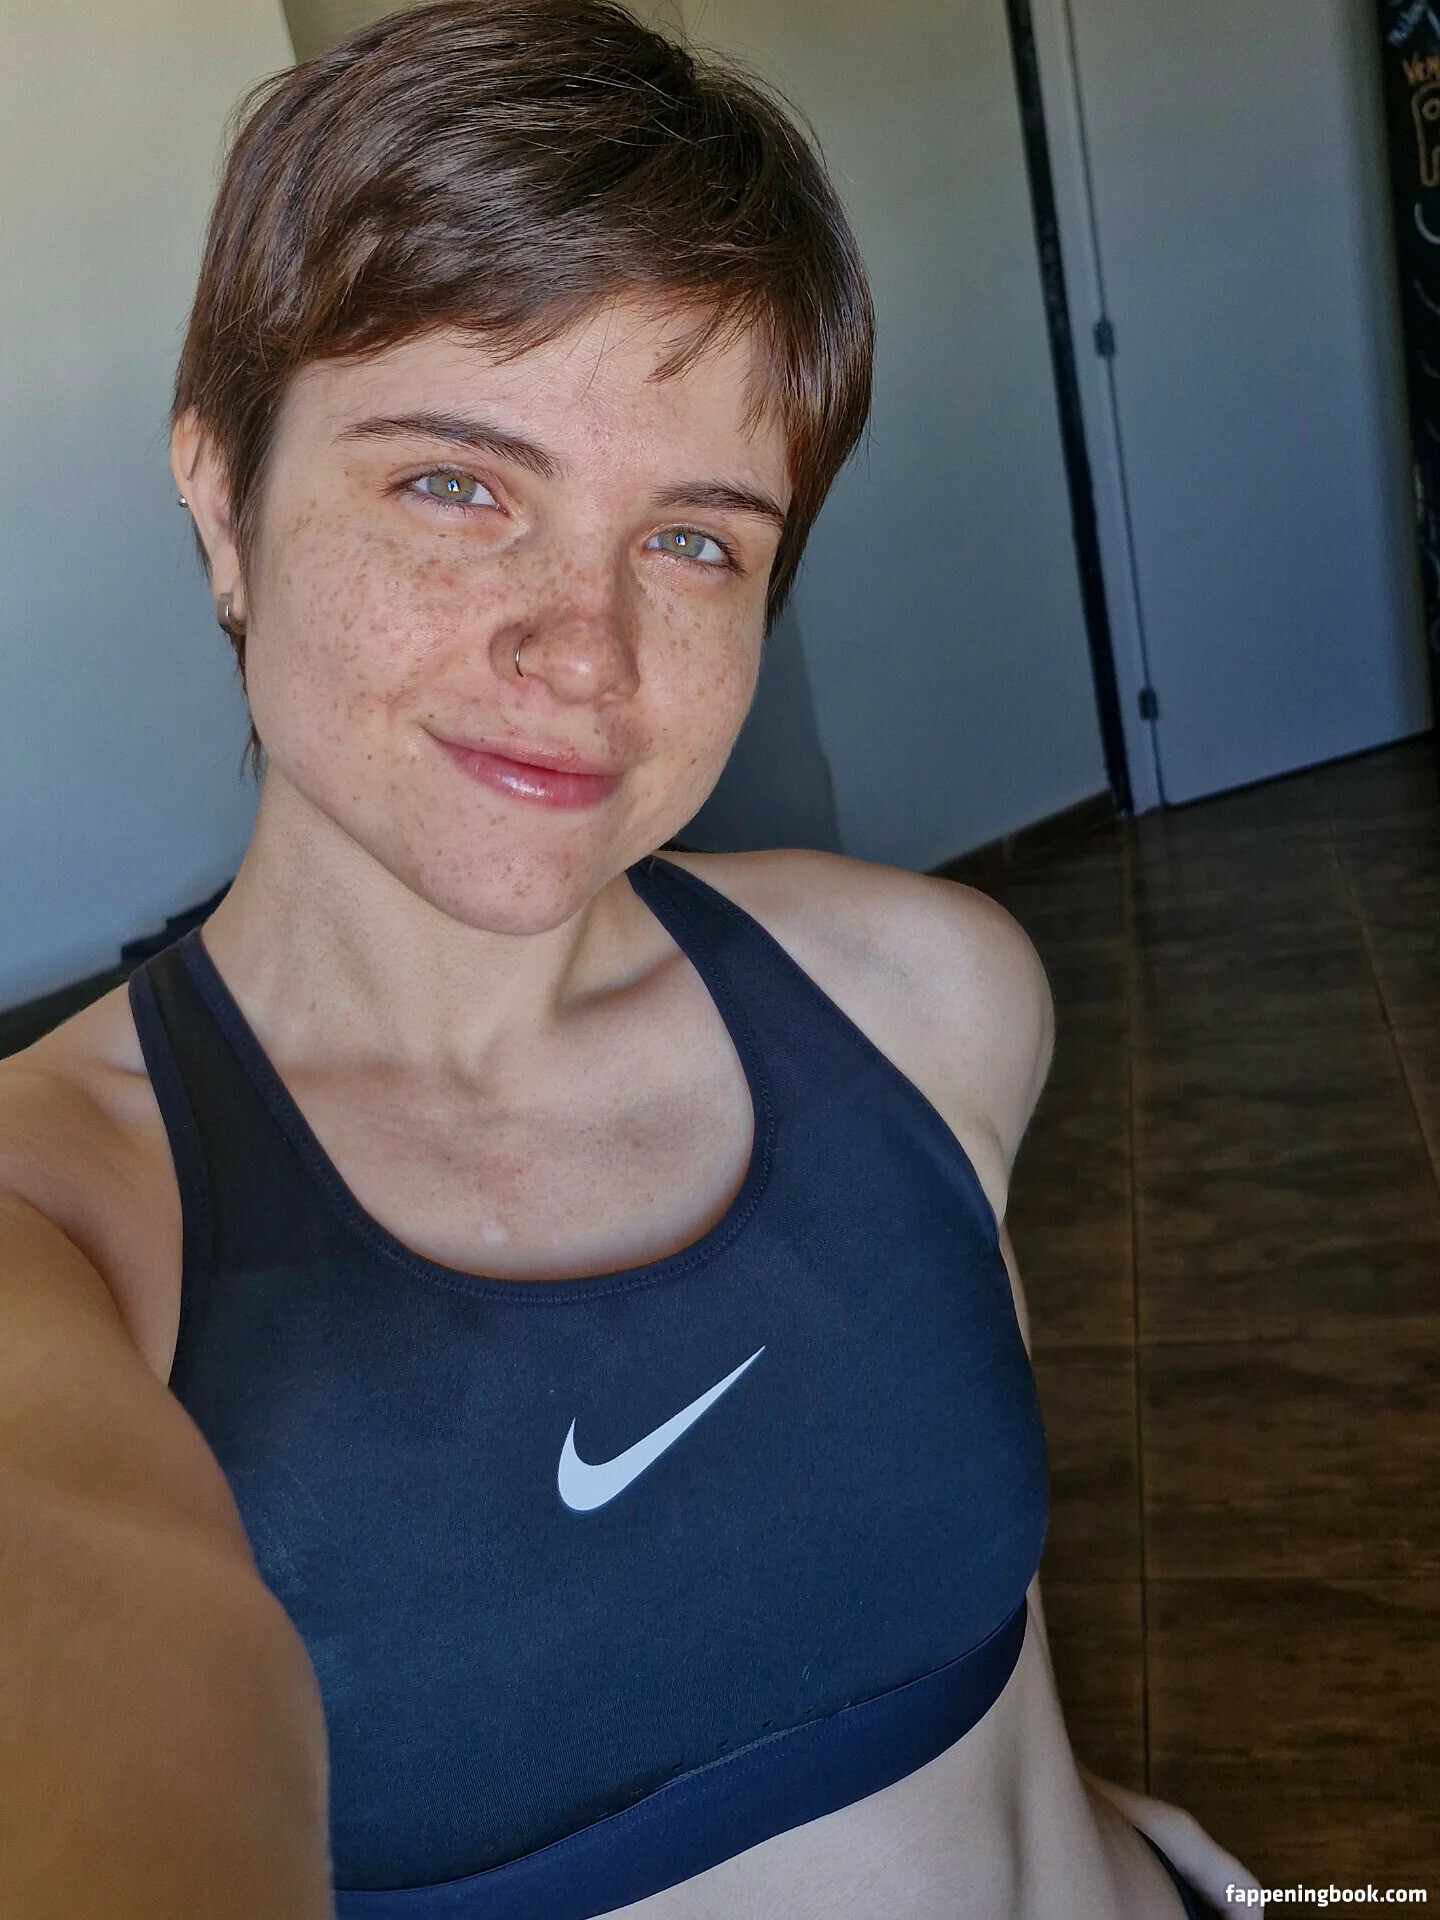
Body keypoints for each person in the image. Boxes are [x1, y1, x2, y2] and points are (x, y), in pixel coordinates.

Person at [0, 4, 1259, 1915]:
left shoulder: (928, 1001)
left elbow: (960, 1642)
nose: (585, 650)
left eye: (693, 542)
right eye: (456, 484)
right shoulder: (65, 1228)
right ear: (221, 497)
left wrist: (1117, 1829)